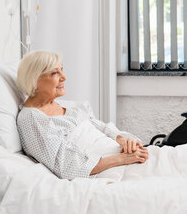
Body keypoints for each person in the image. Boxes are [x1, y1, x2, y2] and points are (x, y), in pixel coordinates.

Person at [16, 51, 149, 180]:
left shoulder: (69, 107)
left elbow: (102, 128)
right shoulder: (32, 119)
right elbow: (67, 167)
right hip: (108, 169)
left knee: (167, 158)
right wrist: (123, 159)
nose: (64, 77)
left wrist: (124, 140)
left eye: (62, 69)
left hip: (121, 154)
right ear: (34, 80)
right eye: (55, 73)